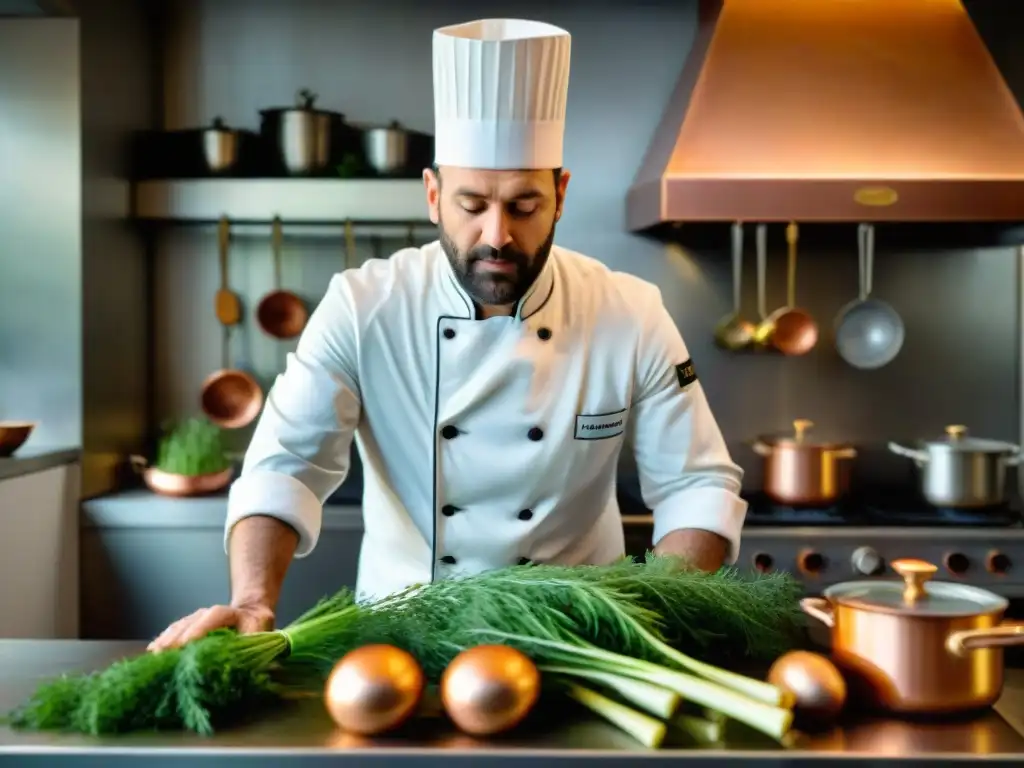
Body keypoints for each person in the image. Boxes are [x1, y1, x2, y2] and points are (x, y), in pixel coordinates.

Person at [148, 18, 746, 652]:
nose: (496, 235)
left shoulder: (630, 312)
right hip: (399, 645)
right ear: (433, 195)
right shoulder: (362, 306)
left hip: (584, 647)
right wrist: (251, 600)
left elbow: (696, 486)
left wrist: (654, 617)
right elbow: (285, 469)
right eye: (471, 205)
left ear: (560, 195)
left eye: (523, 205)